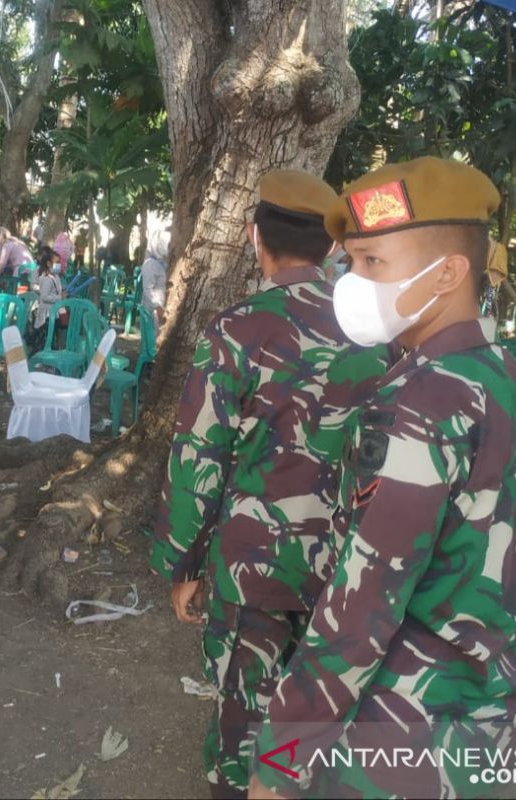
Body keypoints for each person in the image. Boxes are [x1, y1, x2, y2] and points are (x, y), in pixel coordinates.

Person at [248, 158, 516, 799]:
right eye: (351, 261)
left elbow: (360, 607)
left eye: (372, 264)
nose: (351, 282)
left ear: (448, 273)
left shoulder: (421, 400)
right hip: (486, 712)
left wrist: (279, 759)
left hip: (395, 733)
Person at [150, 170, 389, 800]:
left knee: (242, 712)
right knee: (308, 702)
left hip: (251, 566)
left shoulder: (236, 330)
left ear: (256, 238)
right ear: (333, 247)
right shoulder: (378, 342)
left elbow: (197, 458)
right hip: (342, 568)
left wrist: (181, 563)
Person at [25, 245, 63, 352]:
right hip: (40, 304)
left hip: (52, 307)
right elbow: (33, 286)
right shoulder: (37, 271)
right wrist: (42, 290)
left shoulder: (55, 275)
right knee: (41, 329)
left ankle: (50, 346)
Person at [140, 230, 170, 327]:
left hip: (157, 311)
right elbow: (147, 289)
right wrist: (158, 307)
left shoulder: (161, 263)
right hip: (152, 313)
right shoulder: (150, 264)